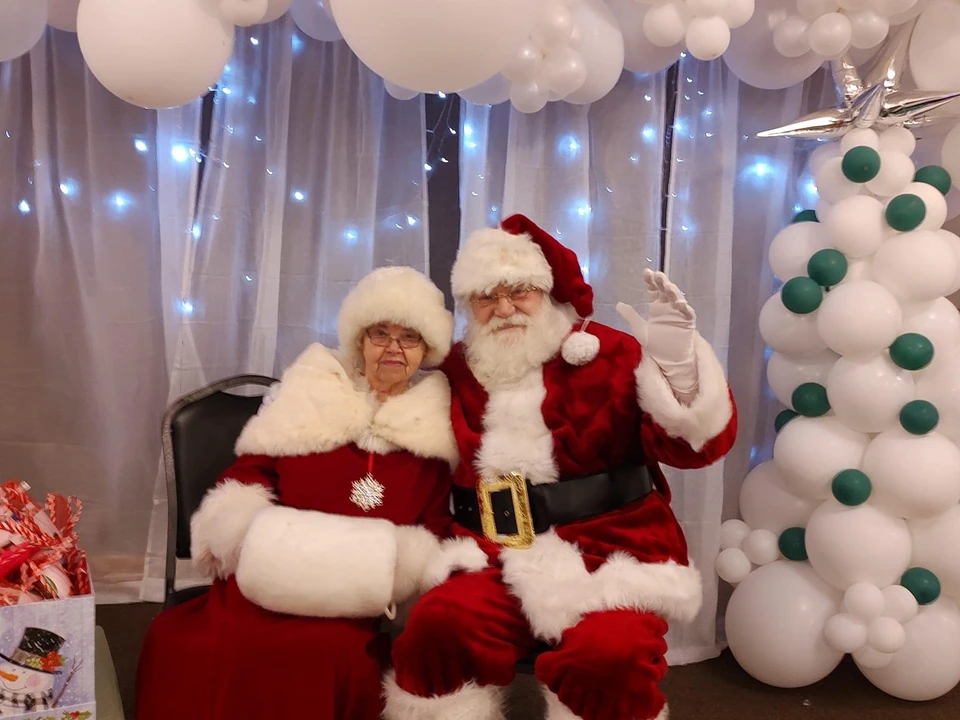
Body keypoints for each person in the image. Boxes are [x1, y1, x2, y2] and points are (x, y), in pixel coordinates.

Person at [383, 215, 738, 720]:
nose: (504, 308)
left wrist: (679, 369)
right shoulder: (459, 367)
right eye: (486, 297)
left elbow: (696, 448)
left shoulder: (611, 353)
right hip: (492, 555)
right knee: (437, 628)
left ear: (547, 292)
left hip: (613, 553)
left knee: (607, 656)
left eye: (519, 291)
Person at [135, 267, 458, 720]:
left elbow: (435, 527)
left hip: (353, 596)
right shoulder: (310, 393)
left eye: (409, 338)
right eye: (380, 334)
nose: (393, 348)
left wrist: (397, 570)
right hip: (270, 575)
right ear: (360, 340)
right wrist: (251, 539)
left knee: (333, 655)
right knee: (218, 643)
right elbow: (248, 476)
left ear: (425, 351)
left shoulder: (435, 432)